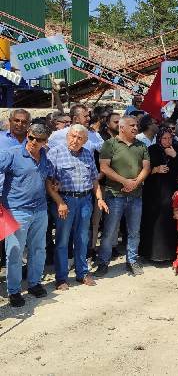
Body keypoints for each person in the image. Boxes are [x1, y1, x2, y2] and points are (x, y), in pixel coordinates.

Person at [47, 125, 108, 290]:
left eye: (80, 138)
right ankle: (61, 278)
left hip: (85, 201)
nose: (75, 140)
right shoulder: (56, 152)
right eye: (73, 136)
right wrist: (59, 202)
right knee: (62, 240)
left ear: (85, 140)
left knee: (82, 239)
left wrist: (99, 198)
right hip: (65, 201)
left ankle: (82, 273)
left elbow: (94, 180)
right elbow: (49, 182)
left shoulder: (88, 154)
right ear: (67, 136)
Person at [0, 123, 54, 307]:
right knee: (14, 253)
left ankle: (34, 283)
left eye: (38, 140)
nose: (32, 142)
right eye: (31, 137)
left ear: (45, 142)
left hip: (39, 210)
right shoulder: (12, 154)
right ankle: (14, 291)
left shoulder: (45, 155)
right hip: (16, 211)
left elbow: (48, 175)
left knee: (38, 249)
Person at [95, 115, 151, 277]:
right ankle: (103, 262)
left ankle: (132, 261)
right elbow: (104, 168)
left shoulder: (141, 145)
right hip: (114, 195)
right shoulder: (110, 144)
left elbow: (146, 167)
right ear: (122, 127)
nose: (135, 128)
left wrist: (135, 182)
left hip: (136, 195)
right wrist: (125, 181)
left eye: (136, 125)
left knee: (134, 231)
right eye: (132, 125)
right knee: (109, 231)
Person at [141, 128, 178, 262]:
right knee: (153, 222)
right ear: (159, 139)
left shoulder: (177, 149)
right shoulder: (152, 150)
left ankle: (168, 254)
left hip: (170, 192)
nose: (167, 141)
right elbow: (143, 169)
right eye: (164, 138)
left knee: (168, 222)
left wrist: (174, 156)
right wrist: (156, 169)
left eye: (170, 138)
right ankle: (151, 254)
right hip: (154, 193)